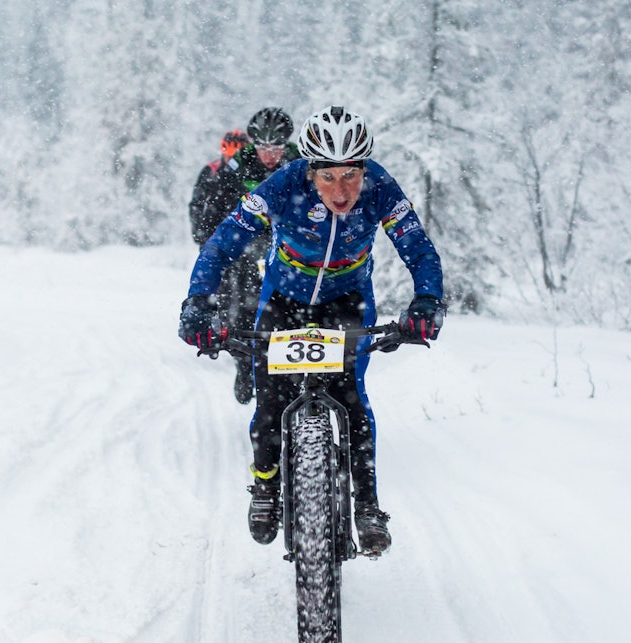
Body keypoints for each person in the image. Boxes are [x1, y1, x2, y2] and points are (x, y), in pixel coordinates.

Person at [178, 106, 445, 556]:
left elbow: (417, 247)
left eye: (350, 177)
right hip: (284, 298)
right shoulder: (283, 184)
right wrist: (198, 303)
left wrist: (426, 300)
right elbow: (223, 242)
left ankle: (368, 506)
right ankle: (265, 486)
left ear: (364, 169)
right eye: (328, 178)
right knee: (271, 396)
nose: (340, 192)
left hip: (347, 299)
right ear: (309, 170)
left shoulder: (380, 186)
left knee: (351, 396)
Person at [208, 108, 301, 404]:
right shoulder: (238, 165)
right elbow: (216, 207)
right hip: (249, 243)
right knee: (244, 301)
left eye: (276, 148)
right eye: (263, 148)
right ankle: (245, 364)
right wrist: (217, 245)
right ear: (254, 145)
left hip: (290, 244)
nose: (270, 155)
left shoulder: (300, 161)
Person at [188, 129, 249, 245]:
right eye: (229, 157)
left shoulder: (252, 173)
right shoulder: (211, 171)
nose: (233, 162)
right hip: (214, 229)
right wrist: (198, 231)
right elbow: (197, 203)